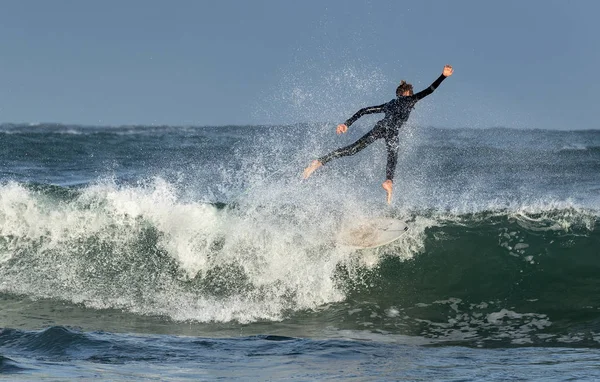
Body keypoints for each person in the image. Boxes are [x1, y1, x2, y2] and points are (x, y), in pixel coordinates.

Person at [302, 64, 454, 204]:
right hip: (392, 132)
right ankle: (388, 181)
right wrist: (443, 76)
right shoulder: (410, 100)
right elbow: (430, 90)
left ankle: (319, 162)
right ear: (407, 93)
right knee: (393, 156)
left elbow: (364, 110)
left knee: (352, 149)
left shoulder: (390, 103)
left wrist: (346, 124)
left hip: (381, 127)